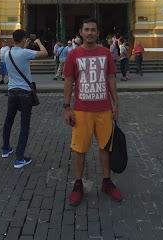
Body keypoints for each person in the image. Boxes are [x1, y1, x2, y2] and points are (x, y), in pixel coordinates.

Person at [63, 18, 122, 206]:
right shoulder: (73, 54)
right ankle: (78, 184)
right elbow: (68, 81)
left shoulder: (105, 53)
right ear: (80, 32)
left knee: (106, 147)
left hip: (104, 109)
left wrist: (115, 103)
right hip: (81, 110)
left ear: (97, 33)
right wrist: (67, 107)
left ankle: (106, 181)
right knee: (79, 149)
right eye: (86, 29)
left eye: (93, 30)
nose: (89, 33)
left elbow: (111, 78)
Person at [2, 30, 48, 168]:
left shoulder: (6, 53)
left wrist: (23, 45)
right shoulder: (24, 53)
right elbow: (45, 53)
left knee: (8, 121)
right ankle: (19, 158)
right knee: (24, 126)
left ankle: (5, 149)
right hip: (25, 93)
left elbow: (18, 54)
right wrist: (38, 42)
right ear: (23, 40)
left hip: (11, 92)